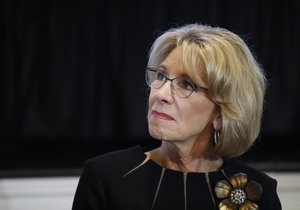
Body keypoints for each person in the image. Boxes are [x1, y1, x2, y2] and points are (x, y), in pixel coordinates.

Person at [72, 23, 282, 210]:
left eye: (187, 84)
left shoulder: (259, 191)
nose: (160, 94)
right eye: (161, 76)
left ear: (222, 113)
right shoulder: (105, 177)